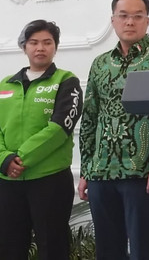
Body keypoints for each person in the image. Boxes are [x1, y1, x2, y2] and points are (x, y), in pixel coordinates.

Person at [78, 0, 149, 260]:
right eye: (123, 16)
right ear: (113, 20)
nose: (130, 22)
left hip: (142, 172)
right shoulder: (100, 63)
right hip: (101, 172)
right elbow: (90, 117)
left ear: (147, 21)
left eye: (137, 16)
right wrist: (87, 169)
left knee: (142, 250)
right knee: (108, 251)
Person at [0, 20, 83, 259]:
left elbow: (59, 128)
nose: (40, 48)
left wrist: (20, 158)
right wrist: (5, 159)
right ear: (24, 47)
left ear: (55, 47)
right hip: (7, 181)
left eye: (47, 42)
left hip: (50, 180)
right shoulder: (5, 85)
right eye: (34, 42)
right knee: (8, 246)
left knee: (52, 246)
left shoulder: (67, 81)